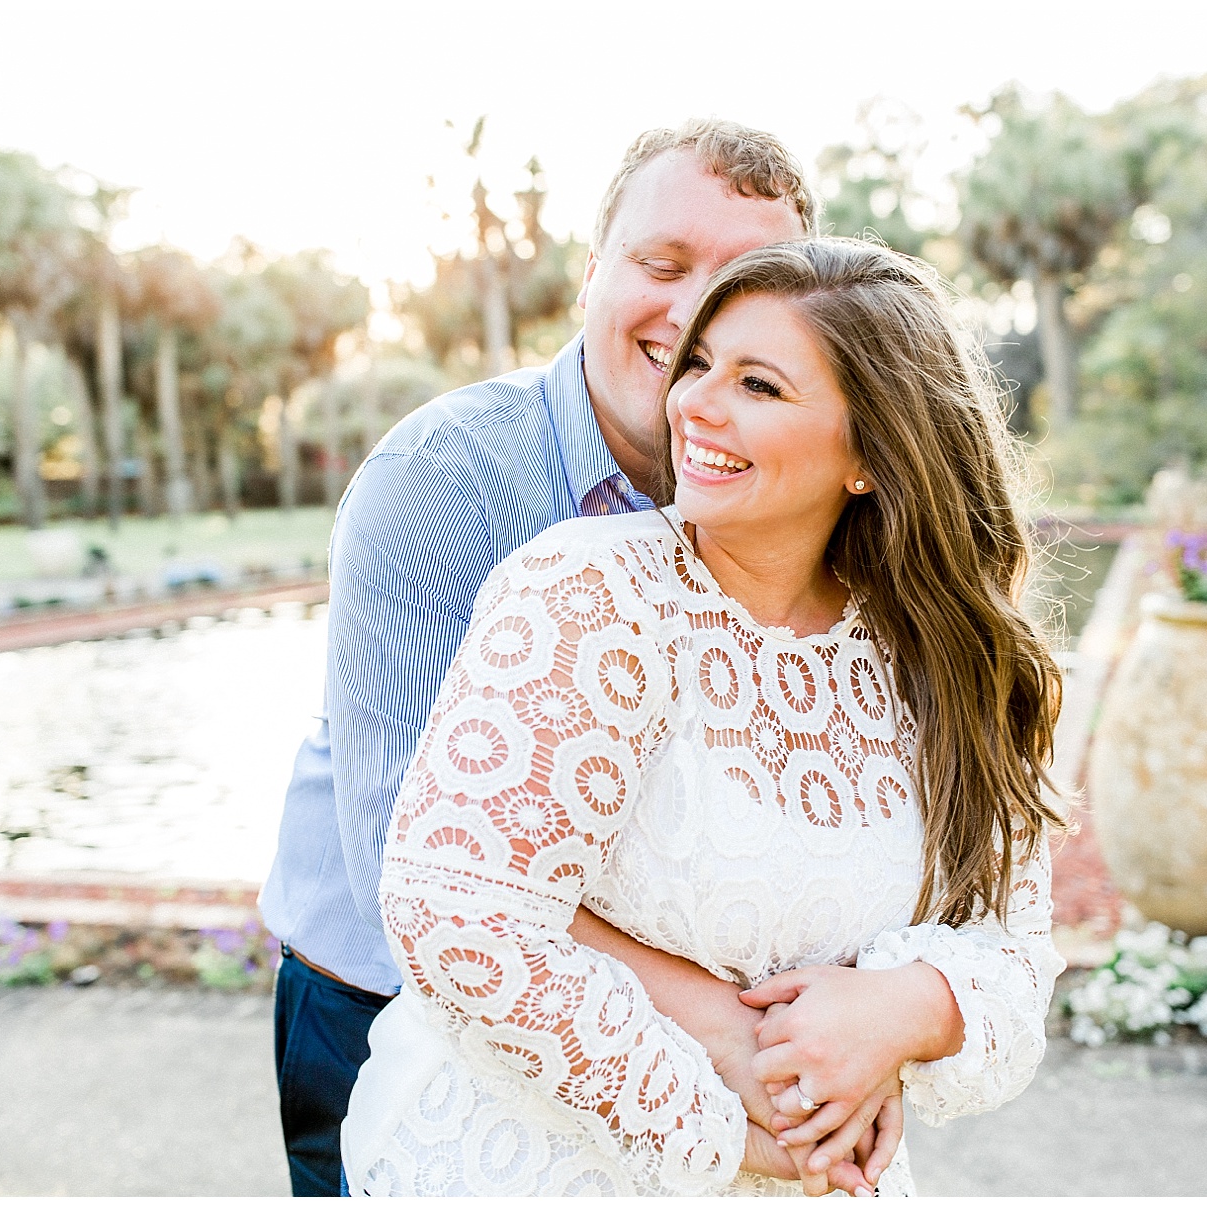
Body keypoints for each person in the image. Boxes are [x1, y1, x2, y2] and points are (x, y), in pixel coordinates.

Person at [340, 237, 1067, 1195]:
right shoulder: (594, 594)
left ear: (870, 452)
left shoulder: (947, 659)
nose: (693, 404)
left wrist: (906, 1012)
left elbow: (1017, 952)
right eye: (700, 365)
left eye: (758, 385)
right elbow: (456, 911)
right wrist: (718, 1126)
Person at [258, 119, 817, 1196]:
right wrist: (733, 1027)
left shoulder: (796, 493)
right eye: (663, 264)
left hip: (687, 1025)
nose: (696, 312)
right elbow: (417, 875)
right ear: (591, 275)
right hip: (389, 1015)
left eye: (745, 280)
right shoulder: (439, 483)